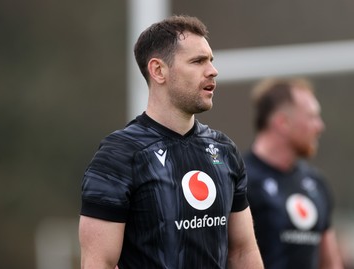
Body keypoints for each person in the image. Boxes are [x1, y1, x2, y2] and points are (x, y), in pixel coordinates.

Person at [79, 15, 264, 269]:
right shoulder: (119, 155)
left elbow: (243, 252)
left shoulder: (224, 150)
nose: (212, 70)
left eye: (210, 60)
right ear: (158, 70)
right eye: (198, 61)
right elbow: (98, 263)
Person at [244, 78, 343, 269]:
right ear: (283, 123)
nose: (319, 126)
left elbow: (331, 263)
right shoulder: (239, 180)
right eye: (312, 116)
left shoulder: (316, 183)